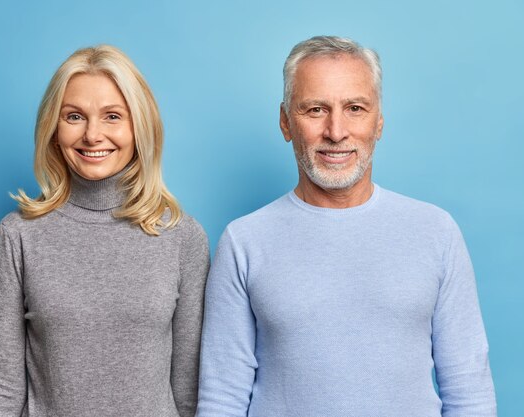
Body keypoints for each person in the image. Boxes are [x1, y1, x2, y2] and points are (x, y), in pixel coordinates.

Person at [196, 36, 496, 417]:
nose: (336, 131)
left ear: (379, 122)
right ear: (286, 122)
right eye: (315, 109)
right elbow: (222, 399)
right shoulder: (244, 241)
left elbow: (470, 392)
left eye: (355, 108)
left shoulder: (436, 232)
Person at [0, 45, 209, 417]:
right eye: (74, 117)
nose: (92, 135)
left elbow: (188, 389)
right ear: (53, 128)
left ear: (139, 127)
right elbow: (2, 385)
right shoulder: (17, 235)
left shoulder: (182, 237)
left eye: (113, 116)